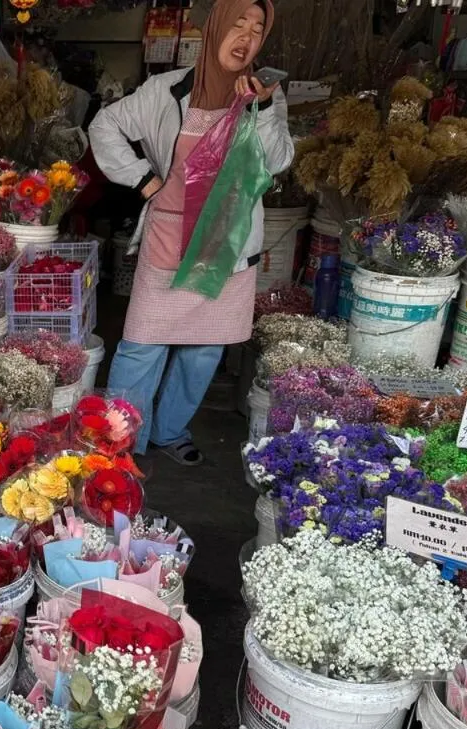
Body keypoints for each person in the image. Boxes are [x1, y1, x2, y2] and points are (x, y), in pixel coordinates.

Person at [89, 0, 293, 465]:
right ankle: (121, 440)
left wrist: (260, 109)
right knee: (142, 343)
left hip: (228, 242)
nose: (246, 37)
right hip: (168, 235)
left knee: (203, 349)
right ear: (216, 27)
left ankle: (169, 430)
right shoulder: (167, 89)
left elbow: (277, 161)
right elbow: (106, 125)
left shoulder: (265, 96)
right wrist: (143, 179)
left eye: (257, 29)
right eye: (238, 23)